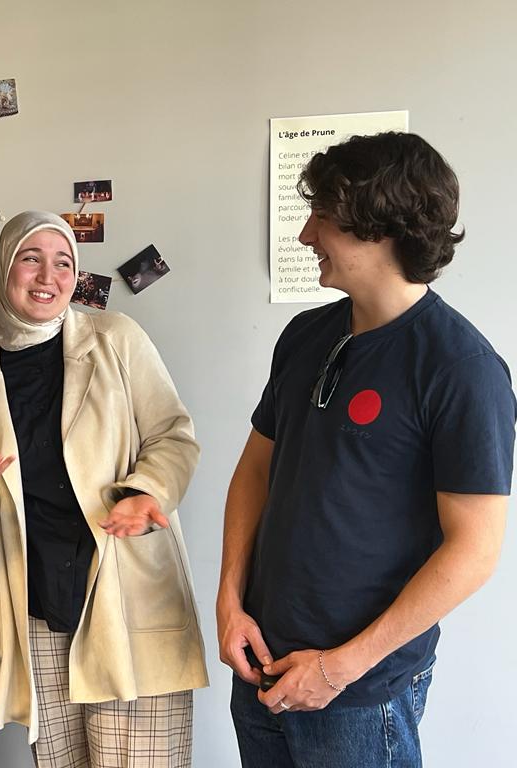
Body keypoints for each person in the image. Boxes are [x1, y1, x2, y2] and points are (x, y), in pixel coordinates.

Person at [217, 132, 516, 768]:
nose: (305, 236)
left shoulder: (461, 367)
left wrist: (339, 669)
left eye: (321, 215)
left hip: (358, 693)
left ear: (380, 226)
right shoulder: (305, 334)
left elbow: (475, 551)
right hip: (262, 664)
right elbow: (255, 472)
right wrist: (230, 600)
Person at [0, 211, 207, 767]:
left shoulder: (115, 338)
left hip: (127, 593)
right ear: (5, 267)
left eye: (63, 262)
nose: (48, 276)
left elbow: (173, 435)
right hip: (36, 606)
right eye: (30, 258)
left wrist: (144, 492)